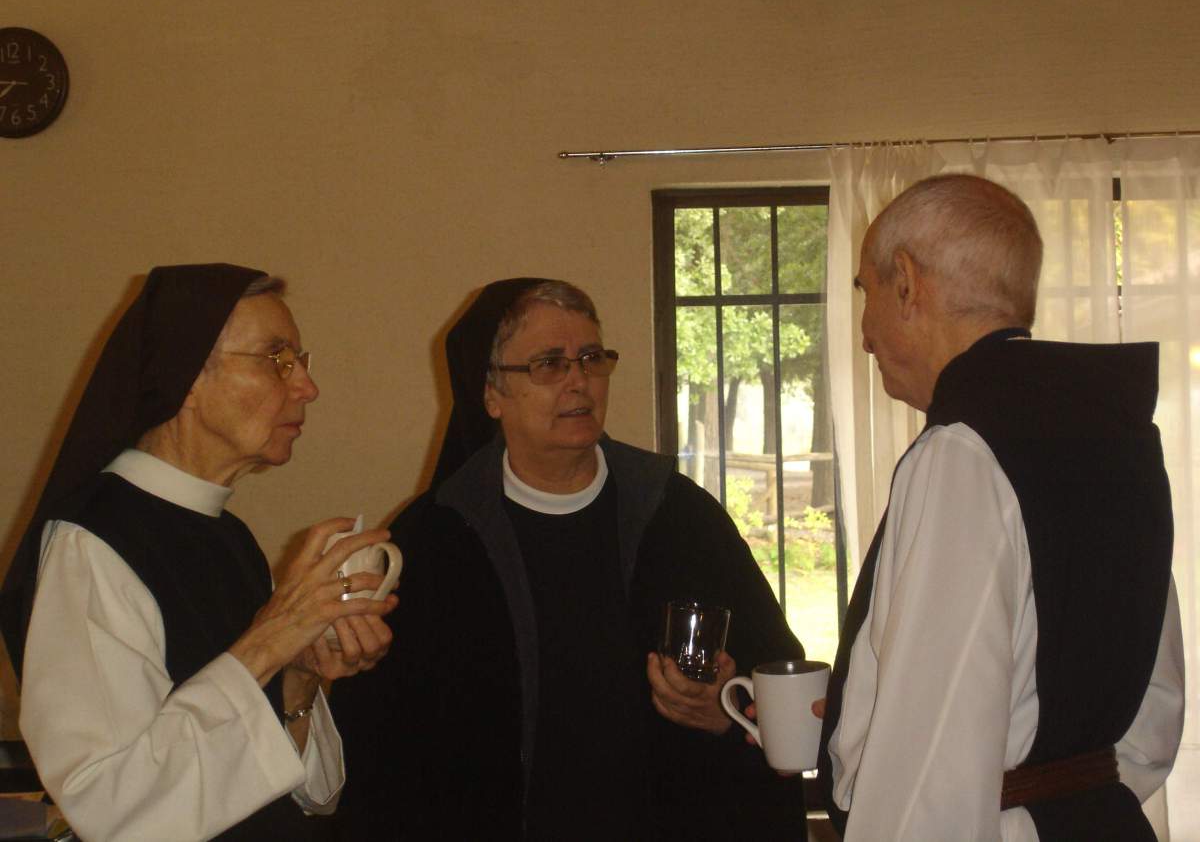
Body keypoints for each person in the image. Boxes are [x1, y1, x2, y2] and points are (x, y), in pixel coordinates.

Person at [331, 278, 807, 840]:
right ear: (491, 393)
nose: (579, 380)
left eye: (591, 358)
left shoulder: (680, 517)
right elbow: (384, 745)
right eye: (549, 364)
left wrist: (718, 714)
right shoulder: (435, 538)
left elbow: (775, 682)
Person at [814, 175, 1185, 841]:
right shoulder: (1120, 435)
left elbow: (929, 759)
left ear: (907, 283)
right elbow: (1152, 716)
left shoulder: (962, 453)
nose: (865, 335)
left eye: (866, 292)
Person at [0, 264, 399, 841]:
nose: (306, 387)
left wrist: (300, 675)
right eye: (277, 359)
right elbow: (109, 809)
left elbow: (303, 800)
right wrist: (272, 635)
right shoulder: (91, 541)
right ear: (186, 377)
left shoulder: (229, 536)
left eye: (300, 361)